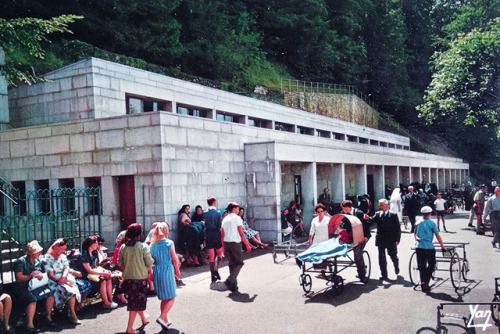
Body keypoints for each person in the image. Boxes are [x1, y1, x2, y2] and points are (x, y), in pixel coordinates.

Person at [118, 223, 155, 334]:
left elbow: (120, 262)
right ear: (139, 234)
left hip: (128, 278)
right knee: (135, 304)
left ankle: (144, 319)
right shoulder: (143, 246)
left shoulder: (123, 247)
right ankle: (129, 328)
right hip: (140, 279)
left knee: (135, 301)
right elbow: (149, 261)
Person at [14, 240, 55, 333]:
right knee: (32, 298)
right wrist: (30, 276)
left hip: (36, 284)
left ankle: (48, 317)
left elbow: (41, 271)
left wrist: (40, 274)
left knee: (50, 293)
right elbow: (19, 277)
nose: (40, 253)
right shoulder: (21, 261)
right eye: (38, 252)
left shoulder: (38, 261)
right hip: (23, 285)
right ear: (31, 254)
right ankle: (29, 324)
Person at [43, 238, 82, 325]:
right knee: (68, 290)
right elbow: (50, 274)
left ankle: (72, 313)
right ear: (55, 247)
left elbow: (66, 268)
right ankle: (69, 314)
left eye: (64, 249)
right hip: (53, 281)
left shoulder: (62, 256)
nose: (63, 251)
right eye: (61, 249)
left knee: (72, 288)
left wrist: (63, 277)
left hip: (63, 279)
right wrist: (58, 280)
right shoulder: (47, 258)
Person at [149, 223, 180, 330]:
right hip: (167, 269)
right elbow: (174, 259)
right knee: (171, 296)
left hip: (157, 269)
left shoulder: (152, 245)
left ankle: (165, 320)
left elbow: (150, 260)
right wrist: (177, 271)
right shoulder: (169, 243)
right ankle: (162, 317)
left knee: (164, 297)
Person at [73, 235, 117, 309]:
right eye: (96, 243)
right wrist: (103, 274)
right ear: (90, 244)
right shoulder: (84, 255)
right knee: (102, 281)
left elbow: (96, 267)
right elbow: (89, 270)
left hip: (92, 275)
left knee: (108, 278)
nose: (98, 245)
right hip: (85, 276)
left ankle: (110, 300)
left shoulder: (93, 254)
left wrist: (105, 271)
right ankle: (106, 303)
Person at [221, 202, 252, 294]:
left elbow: (222, 234)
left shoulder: (225, 218)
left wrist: (223, 247)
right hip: (235, 243)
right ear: (234, 208)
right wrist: (247, 244)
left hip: (227, 243)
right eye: (238, 209)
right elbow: (241, 233)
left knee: (232, 263)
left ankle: (233, 285)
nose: (238, 211)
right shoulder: (237, 218)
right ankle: (230, 280)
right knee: (239, 263)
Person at [414, 206, 446, 293]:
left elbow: (414, 233)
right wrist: (442, 246)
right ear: (430, 213)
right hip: (428, 247)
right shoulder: (431, 223)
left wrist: (416, 242)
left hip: (419, 246)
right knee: (431, 264)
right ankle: (426, 282)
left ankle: (423, 281)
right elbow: (437, 235)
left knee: (421, 266)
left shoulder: (417, 222)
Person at [369, 199, 401, 280]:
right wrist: (365, 217)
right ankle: (384, 275)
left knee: (393, 255)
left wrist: (397, 239)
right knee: (381, 258)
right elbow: (371, 220)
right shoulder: (378, 214)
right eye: (380, 205)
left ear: (386, 205)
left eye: (382, 204)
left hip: (391, 239)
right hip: (381, 239)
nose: (381, 206)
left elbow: (397, 228)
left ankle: (396, 266)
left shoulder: (393, 215)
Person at [340, 200, 371, 281]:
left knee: (357, 254)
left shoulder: (359, 213)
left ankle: (362, 275)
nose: (343, 210)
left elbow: (366, 225)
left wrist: (366, 236)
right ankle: (361, 270)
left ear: (347, 208)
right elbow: (344, 226)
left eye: (343, 208)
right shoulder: (345, 215)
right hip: (352, 236)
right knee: (356, 255)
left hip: (362, 236)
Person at [203, 197, 224, 283]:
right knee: (219, 254)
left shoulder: (205, 212)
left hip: (208, 234)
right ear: (214, 202)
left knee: (211, 256)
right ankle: (216, 269)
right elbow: (220, 227)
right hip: (216, 234)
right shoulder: (218, 213)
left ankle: (212, 274)